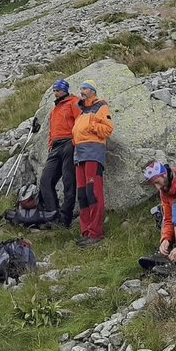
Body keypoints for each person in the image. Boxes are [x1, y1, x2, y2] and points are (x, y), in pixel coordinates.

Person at [71, 80, 113, 247]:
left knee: (92, 192)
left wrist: (91, 124)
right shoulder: (82, 111)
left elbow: (108, 129)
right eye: (81, 88)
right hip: (79, 154)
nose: (81, 91)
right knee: (82, 195)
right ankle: (86, 232)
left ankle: (96, 233)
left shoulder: (101, 107)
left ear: (93, 91)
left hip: (93, 152)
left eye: (85, 88)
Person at [37, 79, 82, 227]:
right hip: (56, 146)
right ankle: (52, 213)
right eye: (54, 90)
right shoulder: (55, 109)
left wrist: (75, 141)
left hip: (69, 143)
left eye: (58, 90)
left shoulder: (74, 102)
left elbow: (80, 122)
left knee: (69, 181)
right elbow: (53, 129)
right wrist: (50, 143)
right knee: (45, 180)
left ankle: (65, 217)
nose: (55, 93)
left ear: (65, 90)